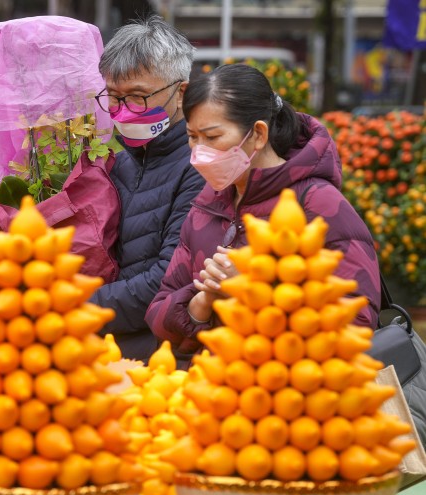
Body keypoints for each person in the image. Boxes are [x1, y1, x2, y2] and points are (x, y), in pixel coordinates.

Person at [145, 63, 381, 360]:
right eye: (193, 137)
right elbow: (159, 315)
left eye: (213, 137)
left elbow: (358, 322)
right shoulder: (208, 202)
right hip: (211, 391)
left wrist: (257, 289)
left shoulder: (317, 204)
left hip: (290, 394)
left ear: (258, 134)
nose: (199, 152)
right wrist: (204, 300)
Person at [88, 16, 206, 362]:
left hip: (165, 359)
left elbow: (168, 279)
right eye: (113, 97)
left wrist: (76, 308)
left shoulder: (199, 167)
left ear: (181, 92)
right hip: (113, 351)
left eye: (138, 97)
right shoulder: (120, 161)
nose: (122, 111)